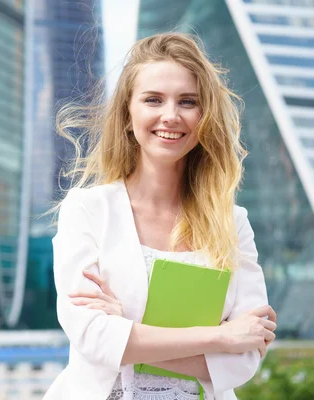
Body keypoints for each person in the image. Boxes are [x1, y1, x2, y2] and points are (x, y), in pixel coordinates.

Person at [42, 33, 277, 400]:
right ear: (127, 114)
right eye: (153, 99)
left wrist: (128, 333)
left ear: (205, 116)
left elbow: (244, 359)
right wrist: (219, 337)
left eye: (188, 101)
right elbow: (93, 338)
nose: (171, 115)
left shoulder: (233, 222)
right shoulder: (88, 210)